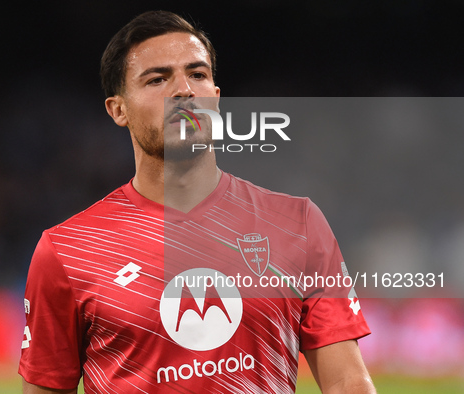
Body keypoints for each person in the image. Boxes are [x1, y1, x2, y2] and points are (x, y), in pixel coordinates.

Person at [19, 10, 376, 394]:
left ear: (216, 98)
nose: (183, 90)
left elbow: (347, 382)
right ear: (118, 109)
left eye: (198, 74)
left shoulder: (298, 223)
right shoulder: (68, 251)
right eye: (158, 78)